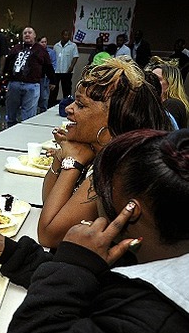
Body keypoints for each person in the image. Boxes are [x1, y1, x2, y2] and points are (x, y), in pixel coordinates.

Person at [0, 128, 189, 333]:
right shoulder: (149, 258)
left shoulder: (150, 322)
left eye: (99, 188)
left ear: (131, 210)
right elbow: (94, 281)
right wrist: (17, 255)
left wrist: (71, 265)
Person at [39, 57, 172, 248]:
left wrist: (73, 162)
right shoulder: (98, 152)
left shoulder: (116, 169)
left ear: (111, 122)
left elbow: (49, 235)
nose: (69, 109)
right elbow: (50, 203)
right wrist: (61, 158)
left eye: (81, 104)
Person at [3, 27, 55, 126]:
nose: (27, 34)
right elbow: (8, 63)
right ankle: (9, 131)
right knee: (11, 112)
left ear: (34, 36)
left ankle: (25, 133)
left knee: (28, 115)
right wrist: (6, 78)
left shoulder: (40, 50)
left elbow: (48, 66)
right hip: (15, 84)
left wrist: (52, 81)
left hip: (32, 85)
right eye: (25, 33)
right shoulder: (16, 48)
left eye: (30, 33)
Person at [149, 60, 189, 128]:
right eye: (150, 78)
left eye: (156, 79)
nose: (150, 81)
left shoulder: (173, 104)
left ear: (171, 83)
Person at [50, 29, 79, 106]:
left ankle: (67, 105)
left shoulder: (73, 46)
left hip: (67, 71)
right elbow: (53, 57)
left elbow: (75, 57)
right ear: (62, 35)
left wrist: (71, 67)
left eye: (68, 35)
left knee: (66, 89)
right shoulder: (56, 46)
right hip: (57, 71)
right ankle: (51, 104)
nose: (66, 36)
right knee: (54, 89)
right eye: (65, 35)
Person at [37, 35, 57, 113]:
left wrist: (52, 77)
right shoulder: (36, 51)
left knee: (44, 96)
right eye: (42, 42)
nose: (44, 44)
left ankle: (43, 111)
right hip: (36, 77)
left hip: (45, 77)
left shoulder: (51, 52)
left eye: (45, 42)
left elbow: (53, 65)